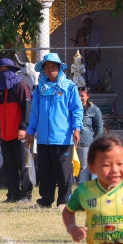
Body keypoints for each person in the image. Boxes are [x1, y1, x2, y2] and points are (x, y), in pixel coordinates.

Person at [25, 53, 83, 208]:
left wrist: (77, 129)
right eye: (47, 67)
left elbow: (76, 110)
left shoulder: (69, 87)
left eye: (53, 66)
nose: (50, 69)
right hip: (43, 138)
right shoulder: (39, 88)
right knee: (45, 173)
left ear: (59, 68)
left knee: (63, 172)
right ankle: (45, 201)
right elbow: (35, 112)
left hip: (62, 138)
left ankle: (64, 201)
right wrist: (30, 131)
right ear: (43, 70)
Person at [0, 58, 33, 203]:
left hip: (19, 134)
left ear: (12, 70)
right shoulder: (0, 89)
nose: (3, 73)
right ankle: (13, 194)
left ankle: (26, 195)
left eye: (6, 70)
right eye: (0, 70)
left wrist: (23, 127)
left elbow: (27, 109)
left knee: (23, 165)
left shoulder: (21, 85)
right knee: (9, 166)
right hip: (5, 134)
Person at [78, 86, 104, 182]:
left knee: (84, 167)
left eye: (82, 96)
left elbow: (99, 128)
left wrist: (94, 141)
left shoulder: (94, 109)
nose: (80, 98)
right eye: (78, 95)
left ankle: (83, 186)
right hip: (72, 142)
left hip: (85, 142)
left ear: (88, 96)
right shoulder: (72, 107)